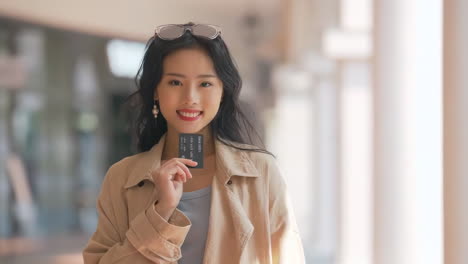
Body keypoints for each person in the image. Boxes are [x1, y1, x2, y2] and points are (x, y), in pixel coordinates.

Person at [82, 22, 305, 263]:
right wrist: (161, 212)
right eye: (175, 82)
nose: (190, 98)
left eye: (205, 83)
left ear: (223, 92)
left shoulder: (261, 172)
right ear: (156, 90)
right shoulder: (122, 178)